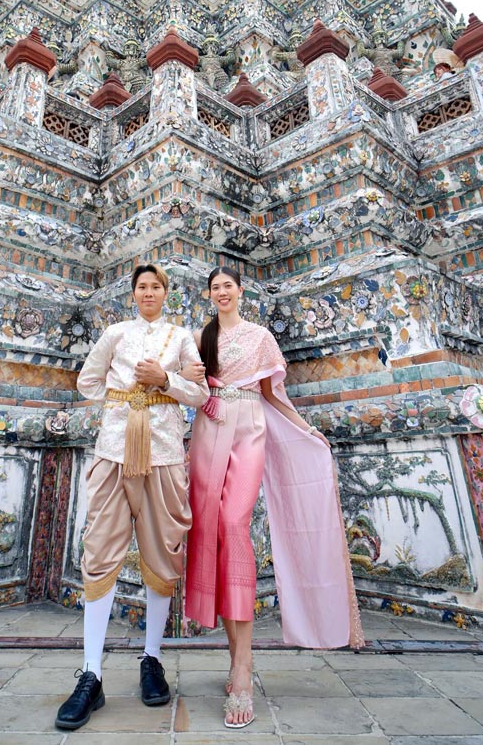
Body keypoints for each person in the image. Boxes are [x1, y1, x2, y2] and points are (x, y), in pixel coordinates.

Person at [182, 266, 364, 729]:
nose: (222, 293)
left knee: (233, 527)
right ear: (208, 295)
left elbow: (272, 395)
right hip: (208, 428)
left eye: (228, 286)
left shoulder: (260, 336)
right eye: (215, 288)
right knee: (211, 534)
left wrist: (307, 430)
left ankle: (244, 670)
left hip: (248, 430)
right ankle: (233, 657)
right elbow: (190, 387)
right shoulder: (199, 338)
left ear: (240, 291)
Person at [55, 264, 209, 731]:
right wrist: (125, 397)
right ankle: (92, 675)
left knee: (163, 553)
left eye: (156, 287)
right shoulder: (116, 333)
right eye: (142, 287)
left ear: (166, 293)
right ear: (133, 294)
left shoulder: (182, 336)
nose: (148, 293)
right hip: (114, 452)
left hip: (163, 454)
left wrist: (165, 381)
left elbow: (200, 395)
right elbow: (86, 382)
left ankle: (152, 659)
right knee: (100, 551)